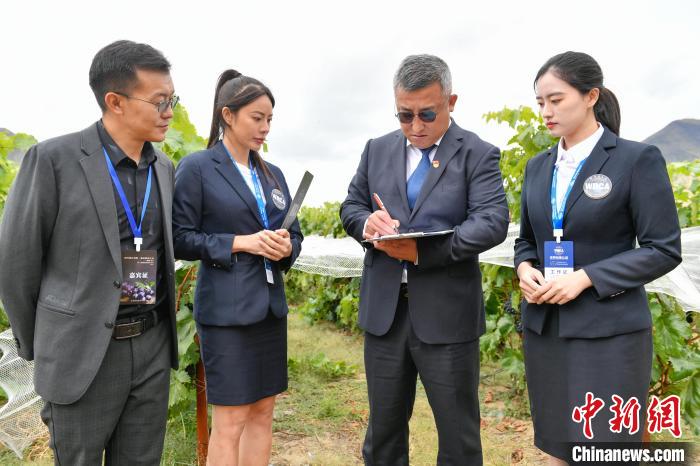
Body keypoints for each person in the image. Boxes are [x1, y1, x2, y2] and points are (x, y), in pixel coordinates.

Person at [0, 40, 179, 465]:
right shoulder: (53, 160)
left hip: (151, 345)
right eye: (159, 101)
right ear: (115, 101)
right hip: (81, 353)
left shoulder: (164, 168)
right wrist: (44, 344)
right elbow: (15, 264)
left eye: (173, 100)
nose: (169, 112)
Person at [340, 54, 509, 465]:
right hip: (385, 315)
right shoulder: (377, 150)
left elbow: (491, 222)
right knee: (383, 434)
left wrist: (423, 252)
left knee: (458, 436)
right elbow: (351, 206)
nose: (415, 126)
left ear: (451, 102)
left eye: (427, 114)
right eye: (405, 115)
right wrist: (367, 223)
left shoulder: (477, 153)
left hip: (447, 316)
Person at [514, 51, 682, 464]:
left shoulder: (635, 160)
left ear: (591, 96)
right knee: (557, 444)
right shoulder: (538, 167)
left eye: (556, 100)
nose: (546, 112)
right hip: (547, 328)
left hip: (610, 333)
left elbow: (663, 249)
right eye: (540, 102)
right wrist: (524, 268)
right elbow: (526, 240)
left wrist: (586, 277)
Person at [173, 70, 303, 466]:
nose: (265, 128)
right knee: (230, 420)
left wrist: (286, 247)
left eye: (269, 119)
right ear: (227, 116)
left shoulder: (273, 174)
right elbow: (180, 238)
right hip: (226, 313)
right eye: (256, 118)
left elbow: (295, 234)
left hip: (270, 309)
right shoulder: (198, 168)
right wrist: (239, 242)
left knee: (263, 412)